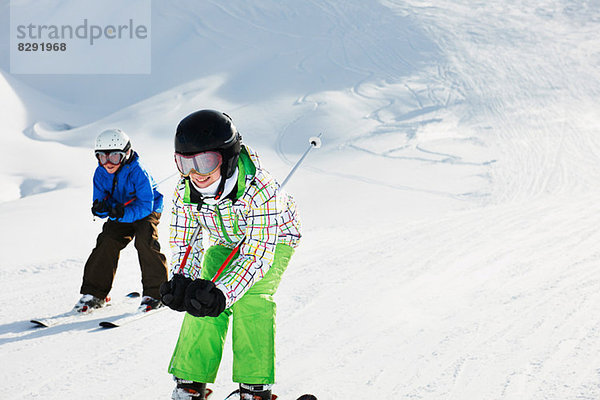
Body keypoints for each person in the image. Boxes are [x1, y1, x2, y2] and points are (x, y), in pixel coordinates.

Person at [160, 110, 302, 400]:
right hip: (227, 243)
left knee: (252, 300)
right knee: (200, 298)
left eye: (205, 161)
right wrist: (182, 278)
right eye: (185, 163)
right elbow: (187, 242)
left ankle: (254, 388)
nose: (195, 173)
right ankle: (190, 382)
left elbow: (256, 258)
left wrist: (224, 293)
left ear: (227, 158)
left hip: (273, 241)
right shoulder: (185, 189)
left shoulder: (262, 190)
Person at [75, 128, 168, 312]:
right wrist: (101, 209)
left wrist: (120, 213)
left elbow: (145, 206)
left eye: (114, 157)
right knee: (107, 240)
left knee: (145, 241)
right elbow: (101, 200)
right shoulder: (100, 173)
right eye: (102, 157)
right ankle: (95, 293)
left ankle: (157, 294)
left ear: (125, 154)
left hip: (147, 210)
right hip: (121, 211)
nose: (108, 163)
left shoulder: (139, 172)